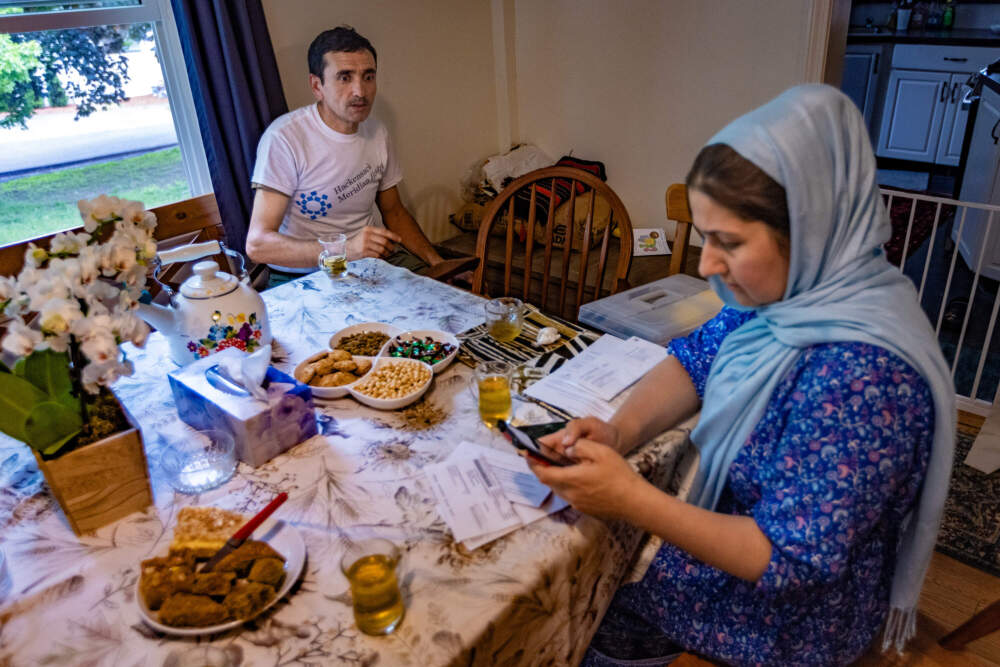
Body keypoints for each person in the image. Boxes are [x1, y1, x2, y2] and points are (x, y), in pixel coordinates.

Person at [529, 85, 956, 666]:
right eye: (705, 238)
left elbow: (787, 560)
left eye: (728, 243)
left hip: (790, 619)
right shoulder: (784, 294)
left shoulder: (866, 375)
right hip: (737, 534)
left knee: (595, 581)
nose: (705, 266)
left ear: (810, 230)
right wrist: (619, 432)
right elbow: (692, 360)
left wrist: (630, 497)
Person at [246, 26, 473, 285]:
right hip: (304, 274)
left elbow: (394, 212)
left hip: (369, 263)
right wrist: (344, 249)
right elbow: (258, 244)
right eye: (345, 77)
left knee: (449, 300)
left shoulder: (377, 132)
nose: (360, 91)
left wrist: (439, 264)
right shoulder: (285, 138)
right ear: (317, 86)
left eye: (368, 76)